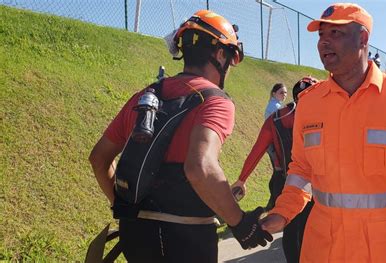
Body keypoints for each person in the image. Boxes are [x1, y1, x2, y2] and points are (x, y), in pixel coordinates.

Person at [261, 3, 386, 262]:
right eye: (321, 35)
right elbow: (301, 170)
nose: (324, 42)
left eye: (335, 34)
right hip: (323, 250)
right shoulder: (310, 103)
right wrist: (283, 211)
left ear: (364, 38)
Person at [88, 10, 271, 262]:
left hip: (135, 234)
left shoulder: (145, 96)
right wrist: (240, 223)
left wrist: (126, 207)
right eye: (230, 59)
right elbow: (200, 168)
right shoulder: (216, 101)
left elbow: (99, 159)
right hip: (188, 236)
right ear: (220, 55)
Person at [231, 76, 318, 263]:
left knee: (290, 230)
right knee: (309, 229)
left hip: (283, 180)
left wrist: (242, 179)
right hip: (313, 183)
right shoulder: (322, 119)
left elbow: (257, 151)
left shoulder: (276, 118)